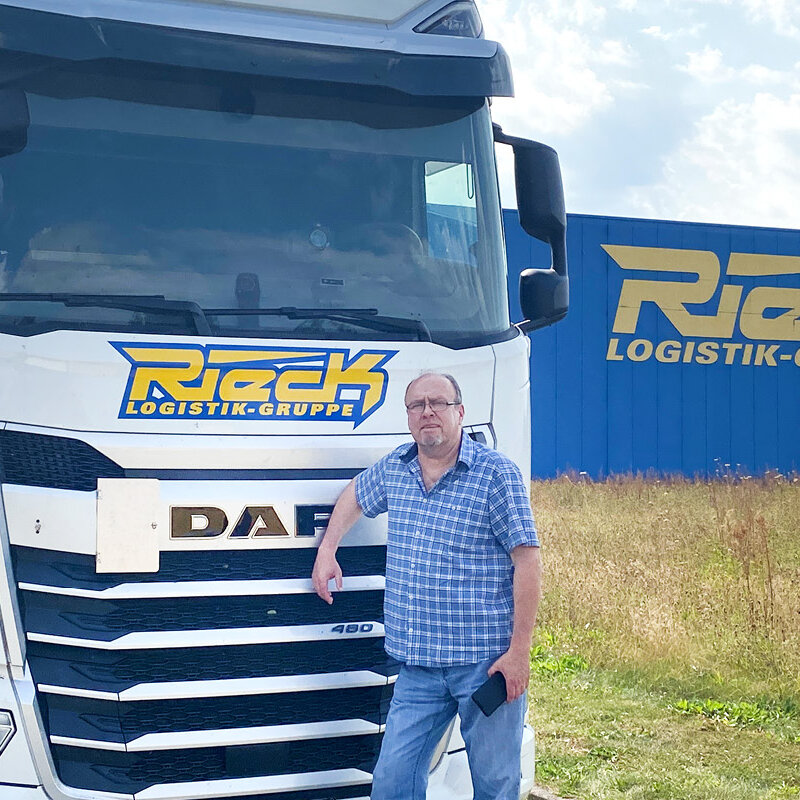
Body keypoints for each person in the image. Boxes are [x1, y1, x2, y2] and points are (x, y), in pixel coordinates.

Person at [311, 371, 542, 800]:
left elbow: (527, 564)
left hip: (484, 665)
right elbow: (355, 497)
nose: (427, 412)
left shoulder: (496, 476)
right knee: (393, 785)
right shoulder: (396, 468)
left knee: (495, 786)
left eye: (437, 402)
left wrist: (519, 654)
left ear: (460, 412)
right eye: (417, 405)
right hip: (418, 669)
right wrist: (328, 549)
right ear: (409, 417)